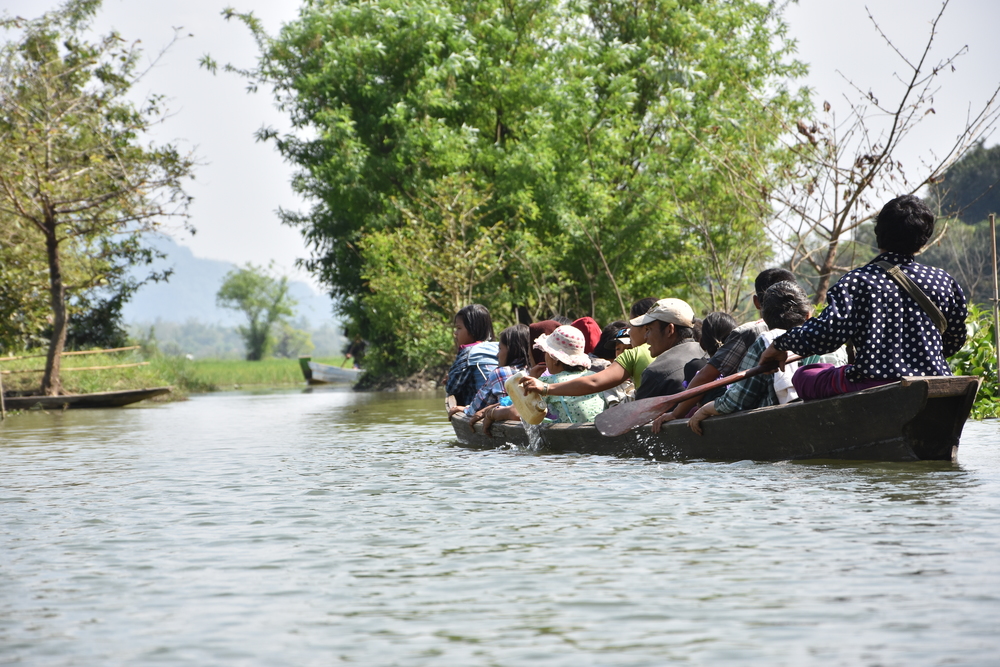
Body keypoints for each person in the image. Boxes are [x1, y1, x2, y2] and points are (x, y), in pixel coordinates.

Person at [760, 195, 968, 399]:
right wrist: (918, 358)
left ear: (878, 234)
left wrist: (781, 344)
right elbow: (955, 338)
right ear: (924, 239)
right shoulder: (943, 281)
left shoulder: (857, 281)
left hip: (873, 382)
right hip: (936, 380)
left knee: (805, 375)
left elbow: (826, 334)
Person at [651, 268, 796, 429]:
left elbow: (706, 377)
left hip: (758, 415)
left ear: (756, 302)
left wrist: (675, 414)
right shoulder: (810, 326)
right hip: (790, 404)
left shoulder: (751, 332)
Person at [687, 281, 813, 435]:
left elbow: (736, 401)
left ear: (765, 319)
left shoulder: (767, 342)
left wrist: (705, 410)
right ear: (808, 316)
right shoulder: (829, 339)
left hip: (782, 428)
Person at [518, 298, 657, 400]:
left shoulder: (636, 354)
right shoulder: (673, 350)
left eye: (632, 325)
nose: (629, 331)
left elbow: (594, 382)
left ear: (646, 328)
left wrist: (545, 388)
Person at [630, 298, 706, 400]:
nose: (645, 336)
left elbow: (639, 414)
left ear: (670, 330)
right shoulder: (707, 354)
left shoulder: (656, 371)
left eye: (649, 329)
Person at [462, 324, 531, 420]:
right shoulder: (533, 370)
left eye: (500, 349)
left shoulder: (500, 373)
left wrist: (465, 409)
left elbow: (474, 410)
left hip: (507, 421)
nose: (497, 355)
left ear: (512, 350)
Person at [445, 304, 500, 409]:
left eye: (459, 328)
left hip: (480, 408)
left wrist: (449, 379)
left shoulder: (468, 352)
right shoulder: (498, 347)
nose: (455, 333)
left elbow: (452, 387)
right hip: (504, 403)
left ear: (472, 329)